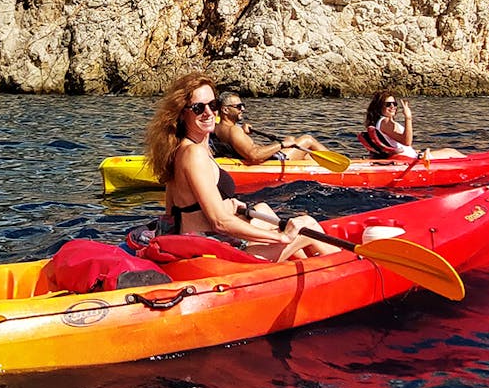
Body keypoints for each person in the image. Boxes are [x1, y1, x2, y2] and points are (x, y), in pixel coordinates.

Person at [143, 72, 340, 261]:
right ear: (181, 113)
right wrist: (282, 237)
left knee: (262, 208)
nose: (209, 113)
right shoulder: (194, 154)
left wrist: (227, 206)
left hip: (200, 243)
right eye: (198, 108)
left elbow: (172, 215)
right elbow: (219, 222)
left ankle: (301, 266)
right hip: (212, 251)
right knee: (307, 225)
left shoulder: (178, 151)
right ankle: (346, 265)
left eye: (213, 105)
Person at [211, 91, 332, 165]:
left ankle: (318, 169)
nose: (243, 109)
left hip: (263, 156)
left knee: (303, 152)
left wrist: (242, 131)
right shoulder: (234, 130)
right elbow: (254, 155)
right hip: (271, 161)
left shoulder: (217, 128)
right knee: (307, 139)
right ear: (225, 109)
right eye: (238, 106)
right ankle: (344, 170)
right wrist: (281, 144)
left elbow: (233, 142)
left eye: (242, 105)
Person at [360, 90, 466, 160]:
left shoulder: (379, 122)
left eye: (394, 104)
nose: (392, 107)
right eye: (388, 104)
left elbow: (394, 145)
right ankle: (475, 165)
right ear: (379, 107)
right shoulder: (386, 122)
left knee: (449, 152)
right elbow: (407, 142)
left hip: (407, 156)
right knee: (451, 152)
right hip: (410, 159)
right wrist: (408, 118)